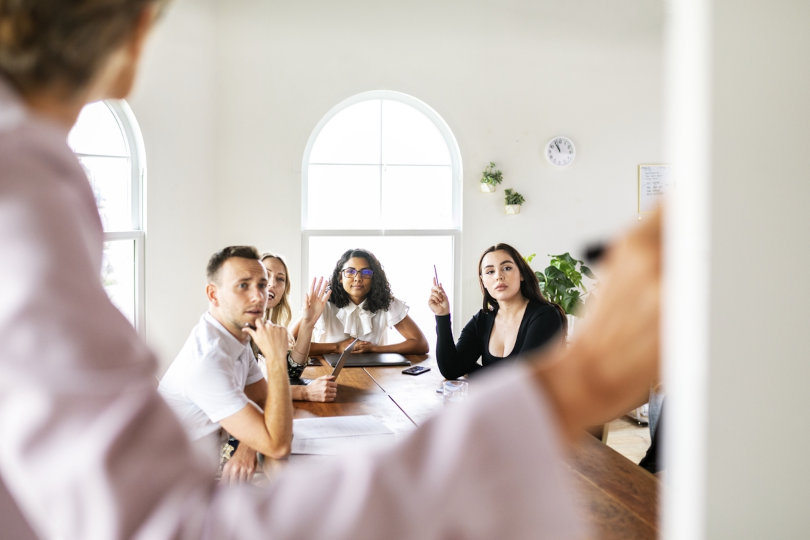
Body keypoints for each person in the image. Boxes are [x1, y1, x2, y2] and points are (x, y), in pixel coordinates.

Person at [0, 1, 662, 538]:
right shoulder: (21, 189)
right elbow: (173, 524)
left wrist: (267, 406)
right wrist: (580, 382)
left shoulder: (31, 178)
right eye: (249, 285)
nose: (264, 294)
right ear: (140, 31)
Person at [158, 246, 307, 482]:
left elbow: (262, 399)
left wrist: (247, 445)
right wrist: (276, 359)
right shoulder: (208, 360)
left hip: (218, 455)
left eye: (261, 284)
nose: (259, 296)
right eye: (243, 285)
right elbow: (277, 446)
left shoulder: (236, 335)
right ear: (213, 294)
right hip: (179, 482)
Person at [429, 243, 567, 380]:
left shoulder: (545, 316)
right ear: (483, 281)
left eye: (507, 268)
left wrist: (472, 371)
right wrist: (442, 316)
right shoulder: (483, 319)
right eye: (490, 271)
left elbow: (522, 380)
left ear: (521, 274)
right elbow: (451, 369)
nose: (498, 276)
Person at [305, 248, 429, 356]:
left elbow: (421, 344)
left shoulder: (385, 302)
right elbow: (291, 346)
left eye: (366, 272)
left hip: (375, 374)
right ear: (340, 277)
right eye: (350, 271)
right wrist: (337, 347)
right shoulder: (323, 303)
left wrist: (375, 349)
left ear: (374, 278)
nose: (358, 278)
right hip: (327, 372)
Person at [258, 252, 337, 402]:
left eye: (280, 279)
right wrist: (304, 392)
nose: (272, 283)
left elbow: (291, 372)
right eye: (266, 275)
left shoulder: (270, 327)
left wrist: (308, 323)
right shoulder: (241, 328)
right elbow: (244, 389)